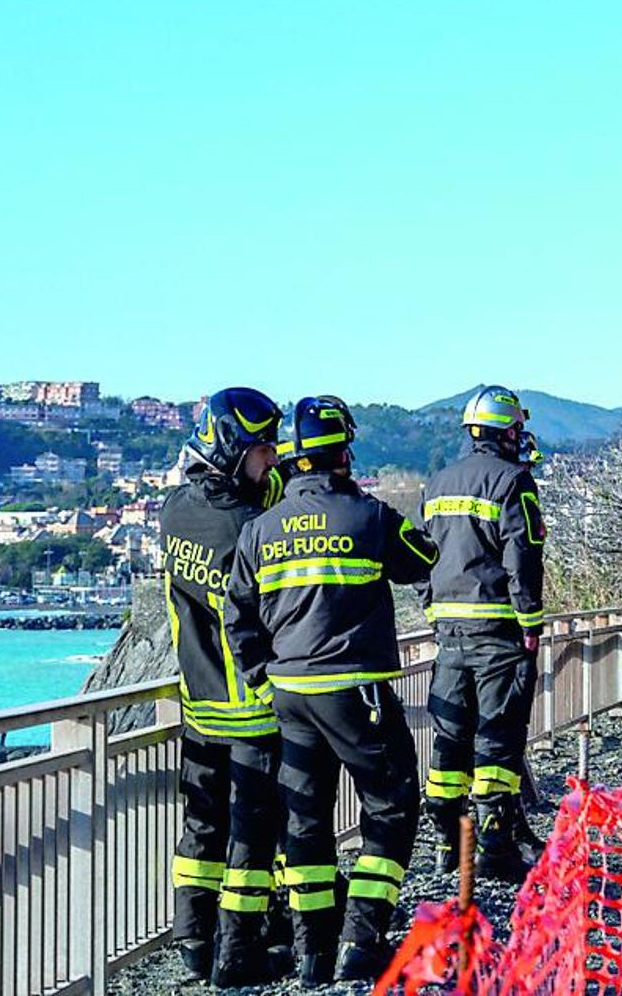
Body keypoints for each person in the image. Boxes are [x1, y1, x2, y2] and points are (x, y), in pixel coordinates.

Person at [226, 396, 438, 986]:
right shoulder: (367, 516)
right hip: (354, 691)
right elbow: (422, 557)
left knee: (308, 820)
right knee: (392, 806)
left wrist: (259, 676)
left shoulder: (259, 529)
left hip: (288, 694)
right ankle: (361, 940)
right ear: (344, 452)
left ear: (293, 459)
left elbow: (236, 614)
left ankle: (312, 954)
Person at [160, 388, 291, 986]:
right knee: (251, 838)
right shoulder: (249, 530)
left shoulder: (174, 513)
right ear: (236, 449)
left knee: (203, 825)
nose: (271, 460)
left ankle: (193, 939)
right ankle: (239, 955)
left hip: (198, 704)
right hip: (252, 710)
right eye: (264, 451)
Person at [419, 386, 547, 883]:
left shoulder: (437, 483)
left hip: (448, 634)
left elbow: (425, 556)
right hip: (498, 631)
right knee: (498, 736)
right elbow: (523, 558)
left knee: (449, 741)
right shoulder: (513, 481)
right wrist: (530, 623)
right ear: (508, 430)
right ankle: (494, 846)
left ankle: (445, 845)